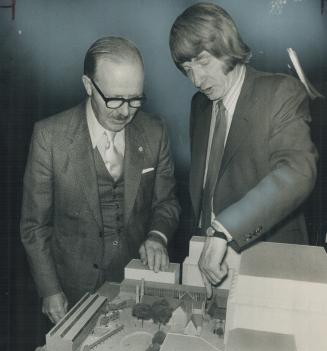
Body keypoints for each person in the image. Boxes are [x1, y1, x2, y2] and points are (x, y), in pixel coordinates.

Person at [21, 36, 180, 324]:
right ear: (88, 86)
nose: (124, 111)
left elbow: (166, 203)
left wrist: (157, 236)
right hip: (71, 293)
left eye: (135, 99)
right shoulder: (49, 137)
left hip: (136, 286)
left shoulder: (155, 132)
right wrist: (49, 289)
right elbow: (34, 227)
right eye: (115, 98)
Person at [169, 2, 318, 297]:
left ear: (226, 47)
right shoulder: (199, 106)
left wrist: (225, 229)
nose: (196, 81)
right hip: (211, 258)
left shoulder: (281, 92)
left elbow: (298, 172)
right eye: (187, 69)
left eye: (202, 62)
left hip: (269, 262)